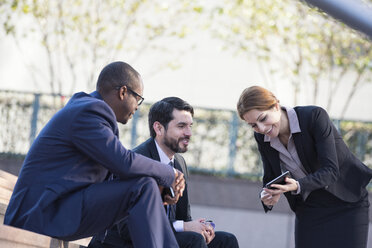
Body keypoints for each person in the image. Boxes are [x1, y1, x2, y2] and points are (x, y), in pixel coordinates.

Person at [4, 61, 185, 248]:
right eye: (138, 99)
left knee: (146, 186)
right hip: (41, 214)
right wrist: (168, 173)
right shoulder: (88, 112)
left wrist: (160, 188)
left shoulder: (89, 112)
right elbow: (123, 162)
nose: (138, 107)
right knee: (142, 186)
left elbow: (116, 175)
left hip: (57, 208)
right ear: (123, 92)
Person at [89, 97, 239, 248]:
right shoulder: (136, 163)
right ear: (159, 128)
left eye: (190, 126)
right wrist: (184, 227)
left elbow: (183, 218)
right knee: (194, 241)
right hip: (124, 243)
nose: (189, 133)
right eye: (181, 126)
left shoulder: (179, 163)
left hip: (160, 239)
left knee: (226, 241)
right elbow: (128, 229)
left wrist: (200, 228)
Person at [236, 85, 372, 248]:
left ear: (276, 106)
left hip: (347, 202)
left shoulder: (314, 116)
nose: (262, 128)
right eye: (253, 125)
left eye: (263, 118)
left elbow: (331, 171)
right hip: (310, 207)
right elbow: (270, 176)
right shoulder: (261, 137)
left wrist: (299, 185)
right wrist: (268, 195)